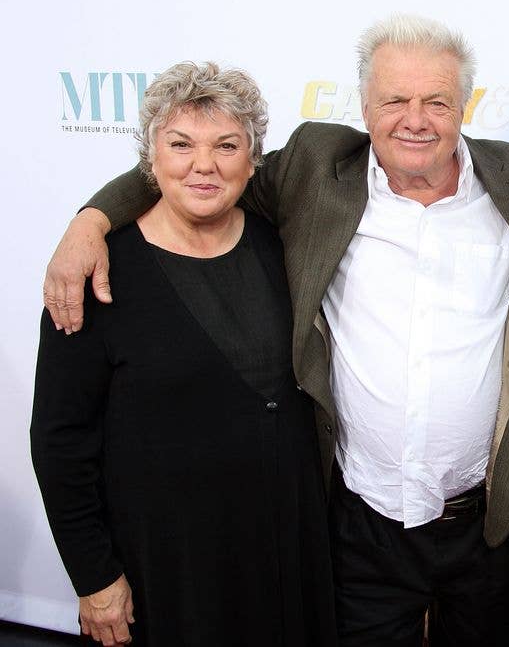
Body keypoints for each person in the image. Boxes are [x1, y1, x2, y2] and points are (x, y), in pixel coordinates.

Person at [42, 15, 509, 647]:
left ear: (465, 105)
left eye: (437, 102)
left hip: (485, 523)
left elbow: (219, 159)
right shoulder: (315, 169)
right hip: (358, 523)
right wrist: (90, 219)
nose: (415, 120)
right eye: (394, 100)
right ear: (363, 106)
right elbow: (200, 163)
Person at [31, 62, 335, 646]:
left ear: (253, 159)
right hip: (166, 570)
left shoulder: (282, 240)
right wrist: (95, 577)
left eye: (227, 145)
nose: (204, 164)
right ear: (150, 159)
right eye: (181, 145)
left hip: (286, 554)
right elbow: (59, 438)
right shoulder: (96, 272)